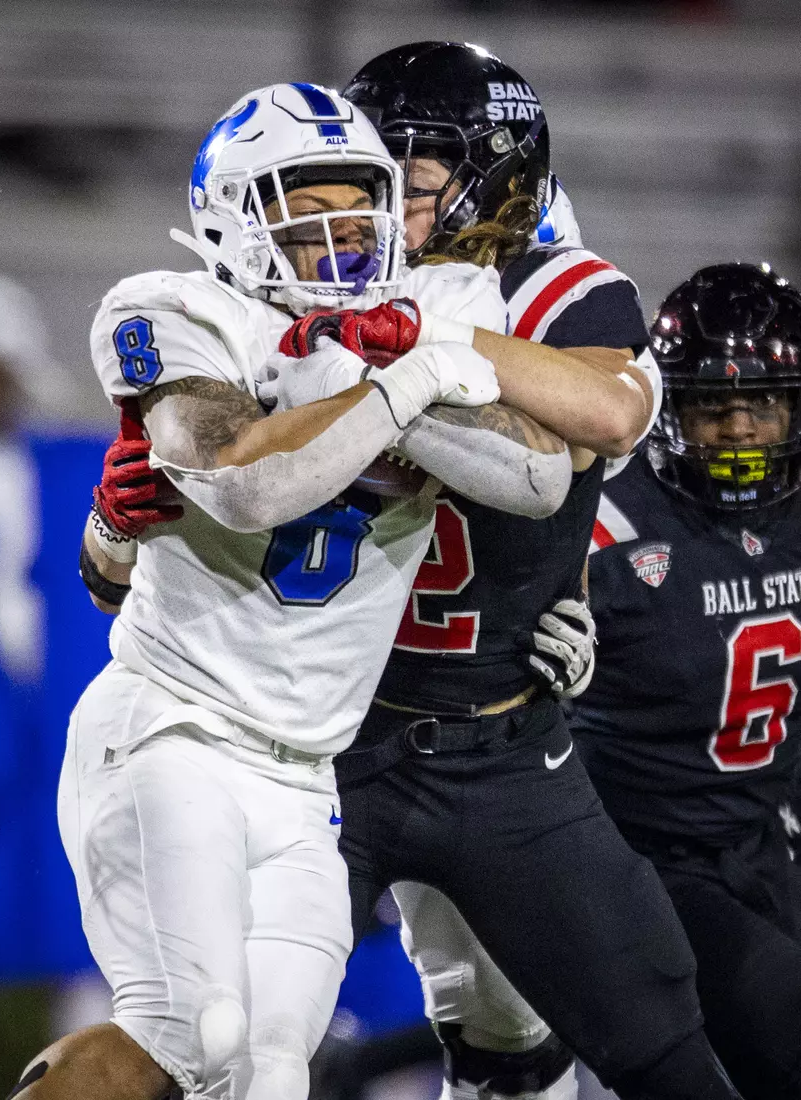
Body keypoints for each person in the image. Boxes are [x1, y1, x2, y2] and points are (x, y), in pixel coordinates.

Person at [84, 44, 741, 1100]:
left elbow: (595, 425)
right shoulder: (271, 284)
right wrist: (111, 527)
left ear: (487, 169)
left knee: (614, 1032)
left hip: (496, 722)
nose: (368, 187)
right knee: (211, 1043)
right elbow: (144, 547)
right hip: (323, 741)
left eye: (408, 163)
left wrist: (415, 344)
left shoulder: (535, 280)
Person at [569, 262, 801, 1100]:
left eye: (762, 404)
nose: (739, 428)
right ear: (672, 411)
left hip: (768, 839)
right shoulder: (609, 525)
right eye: (713, 408)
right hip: (649, 862)